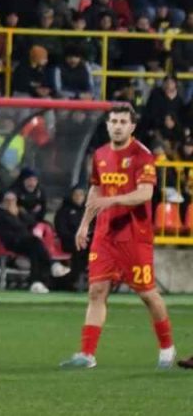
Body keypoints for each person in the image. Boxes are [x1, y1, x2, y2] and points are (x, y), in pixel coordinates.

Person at [60, 104, 177, 369]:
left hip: (134, 236)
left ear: (132, 126)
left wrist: (111, 201)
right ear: (107, 125)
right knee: (97, 291)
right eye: (113, 121)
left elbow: (145, 194)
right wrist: (84, 224)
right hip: (104, 235)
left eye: (123, 122)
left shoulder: (142, 156)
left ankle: (167, 347)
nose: (117, 126)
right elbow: (95, 191)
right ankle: (87, 354)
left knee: (147, 294)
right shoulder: (100, 154)